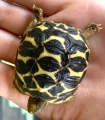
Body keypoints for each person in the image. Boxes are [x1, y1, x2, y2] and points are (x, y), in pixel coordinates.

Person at [0, 0, 105, 119]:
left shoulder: (62, 96)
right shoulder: (22, 84)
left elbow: (71, 92)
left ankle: (85, 33)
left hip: (74, 42)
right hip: (45, 34)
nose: (31, 111)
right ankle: (40, 21)